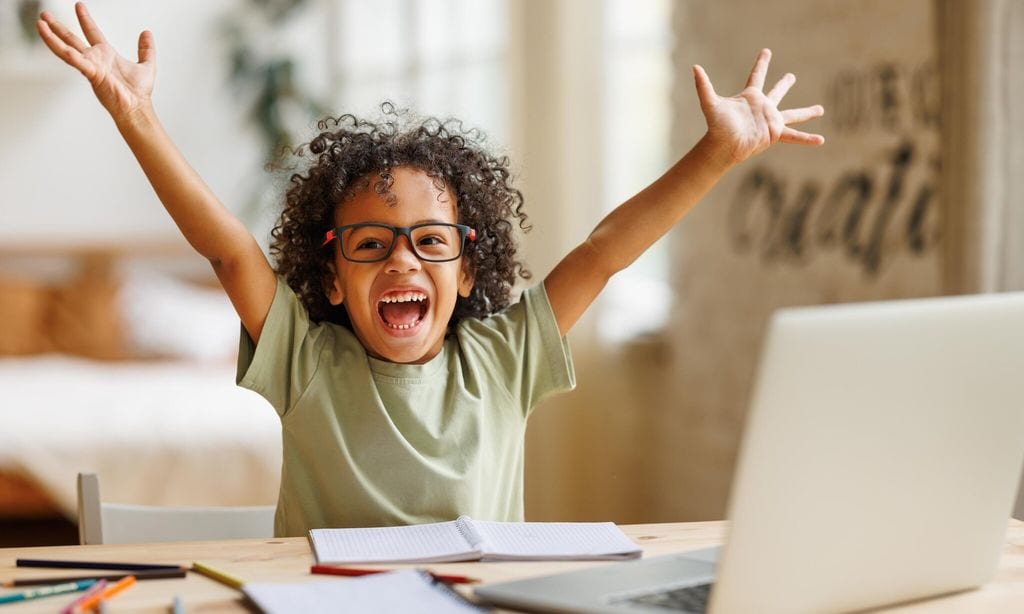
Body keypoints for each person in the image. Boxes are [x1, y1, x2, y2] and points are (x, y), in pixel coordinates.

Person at [37, 3, 824, 537]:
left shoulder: (505, 359)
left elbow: (605, 249)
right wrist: (134, 116)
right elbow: (229, 250)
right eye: (371, 244)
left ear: (470, 270)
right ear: (334, 274)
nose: (403, 258)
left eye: (429, 242)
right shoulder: (306, 360)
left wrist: (716, 152)